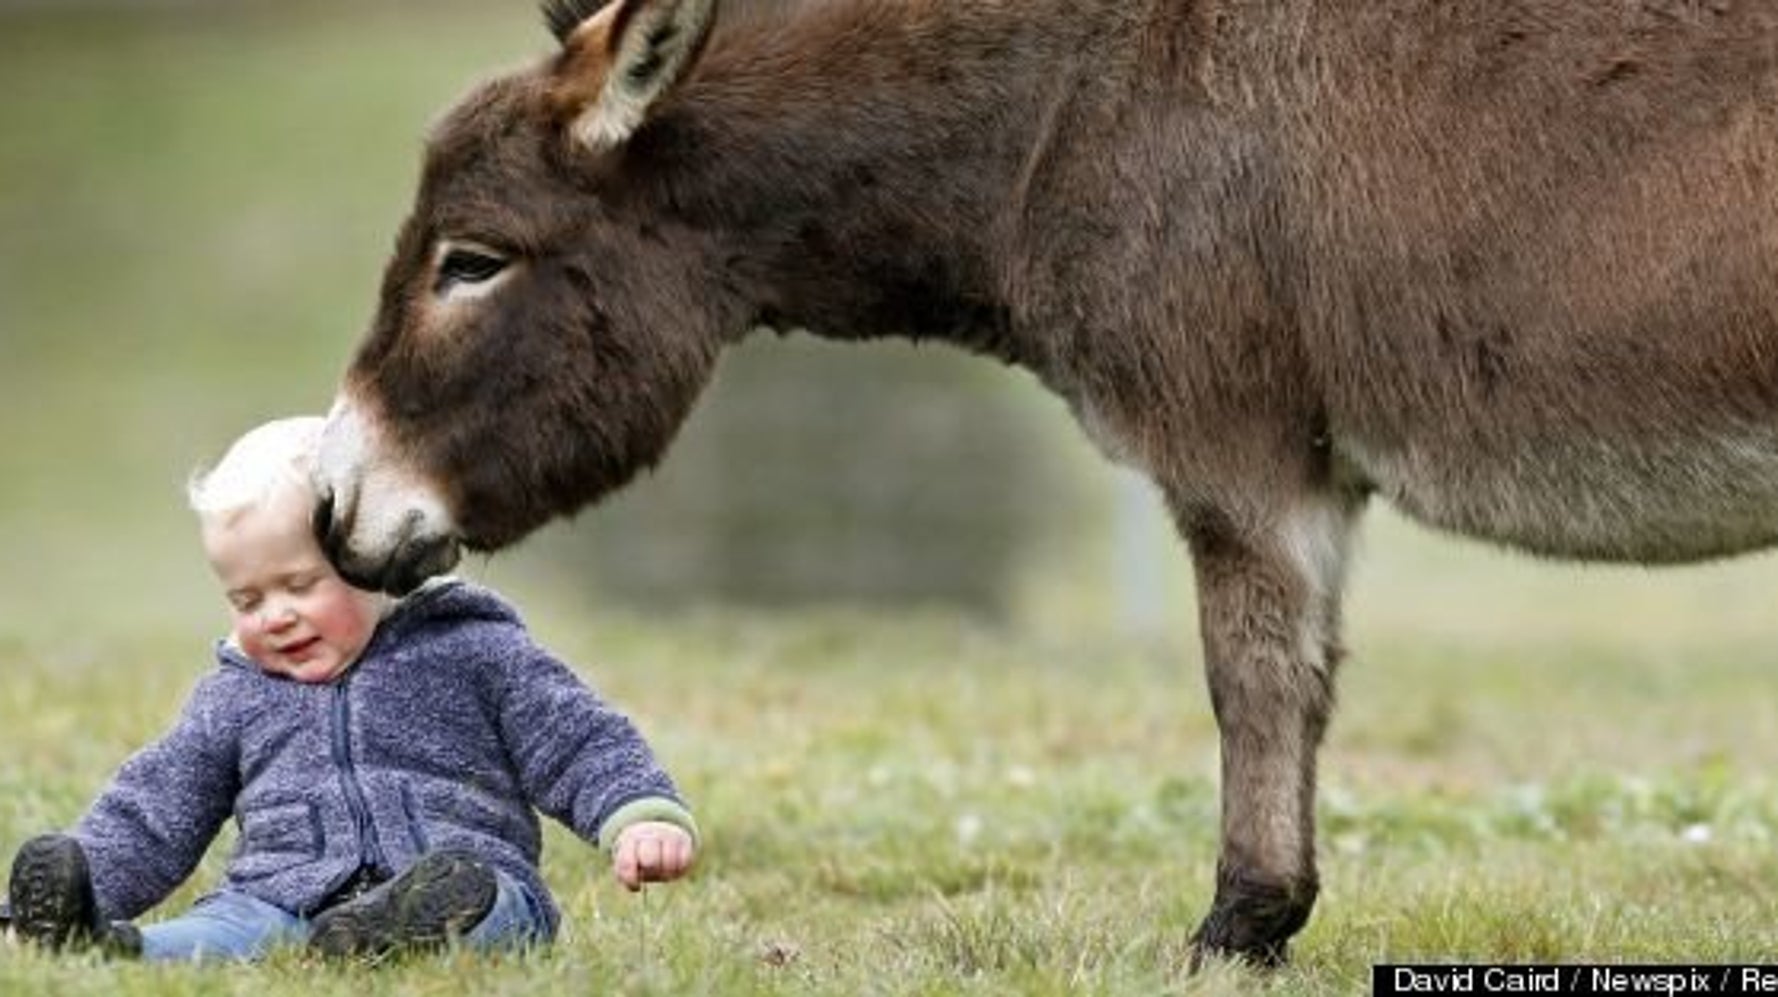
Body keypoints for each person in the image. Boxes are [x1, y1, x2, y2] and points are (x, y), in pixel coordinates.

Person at [3, 416, 697, 962]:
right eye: (246, 599)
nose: (274, 614)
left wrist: (639, 815)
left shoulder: (474, 648)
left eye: (301, 585)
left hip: (461, 874)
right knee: (219, 933)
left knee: (488, 906)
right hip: (280, 895)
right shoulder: (235, 697)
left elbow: (573, 734)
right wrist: (84, 878)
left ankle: (398, 929)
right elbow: (152, 808)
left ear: (374, 554)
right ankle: (94, 941)